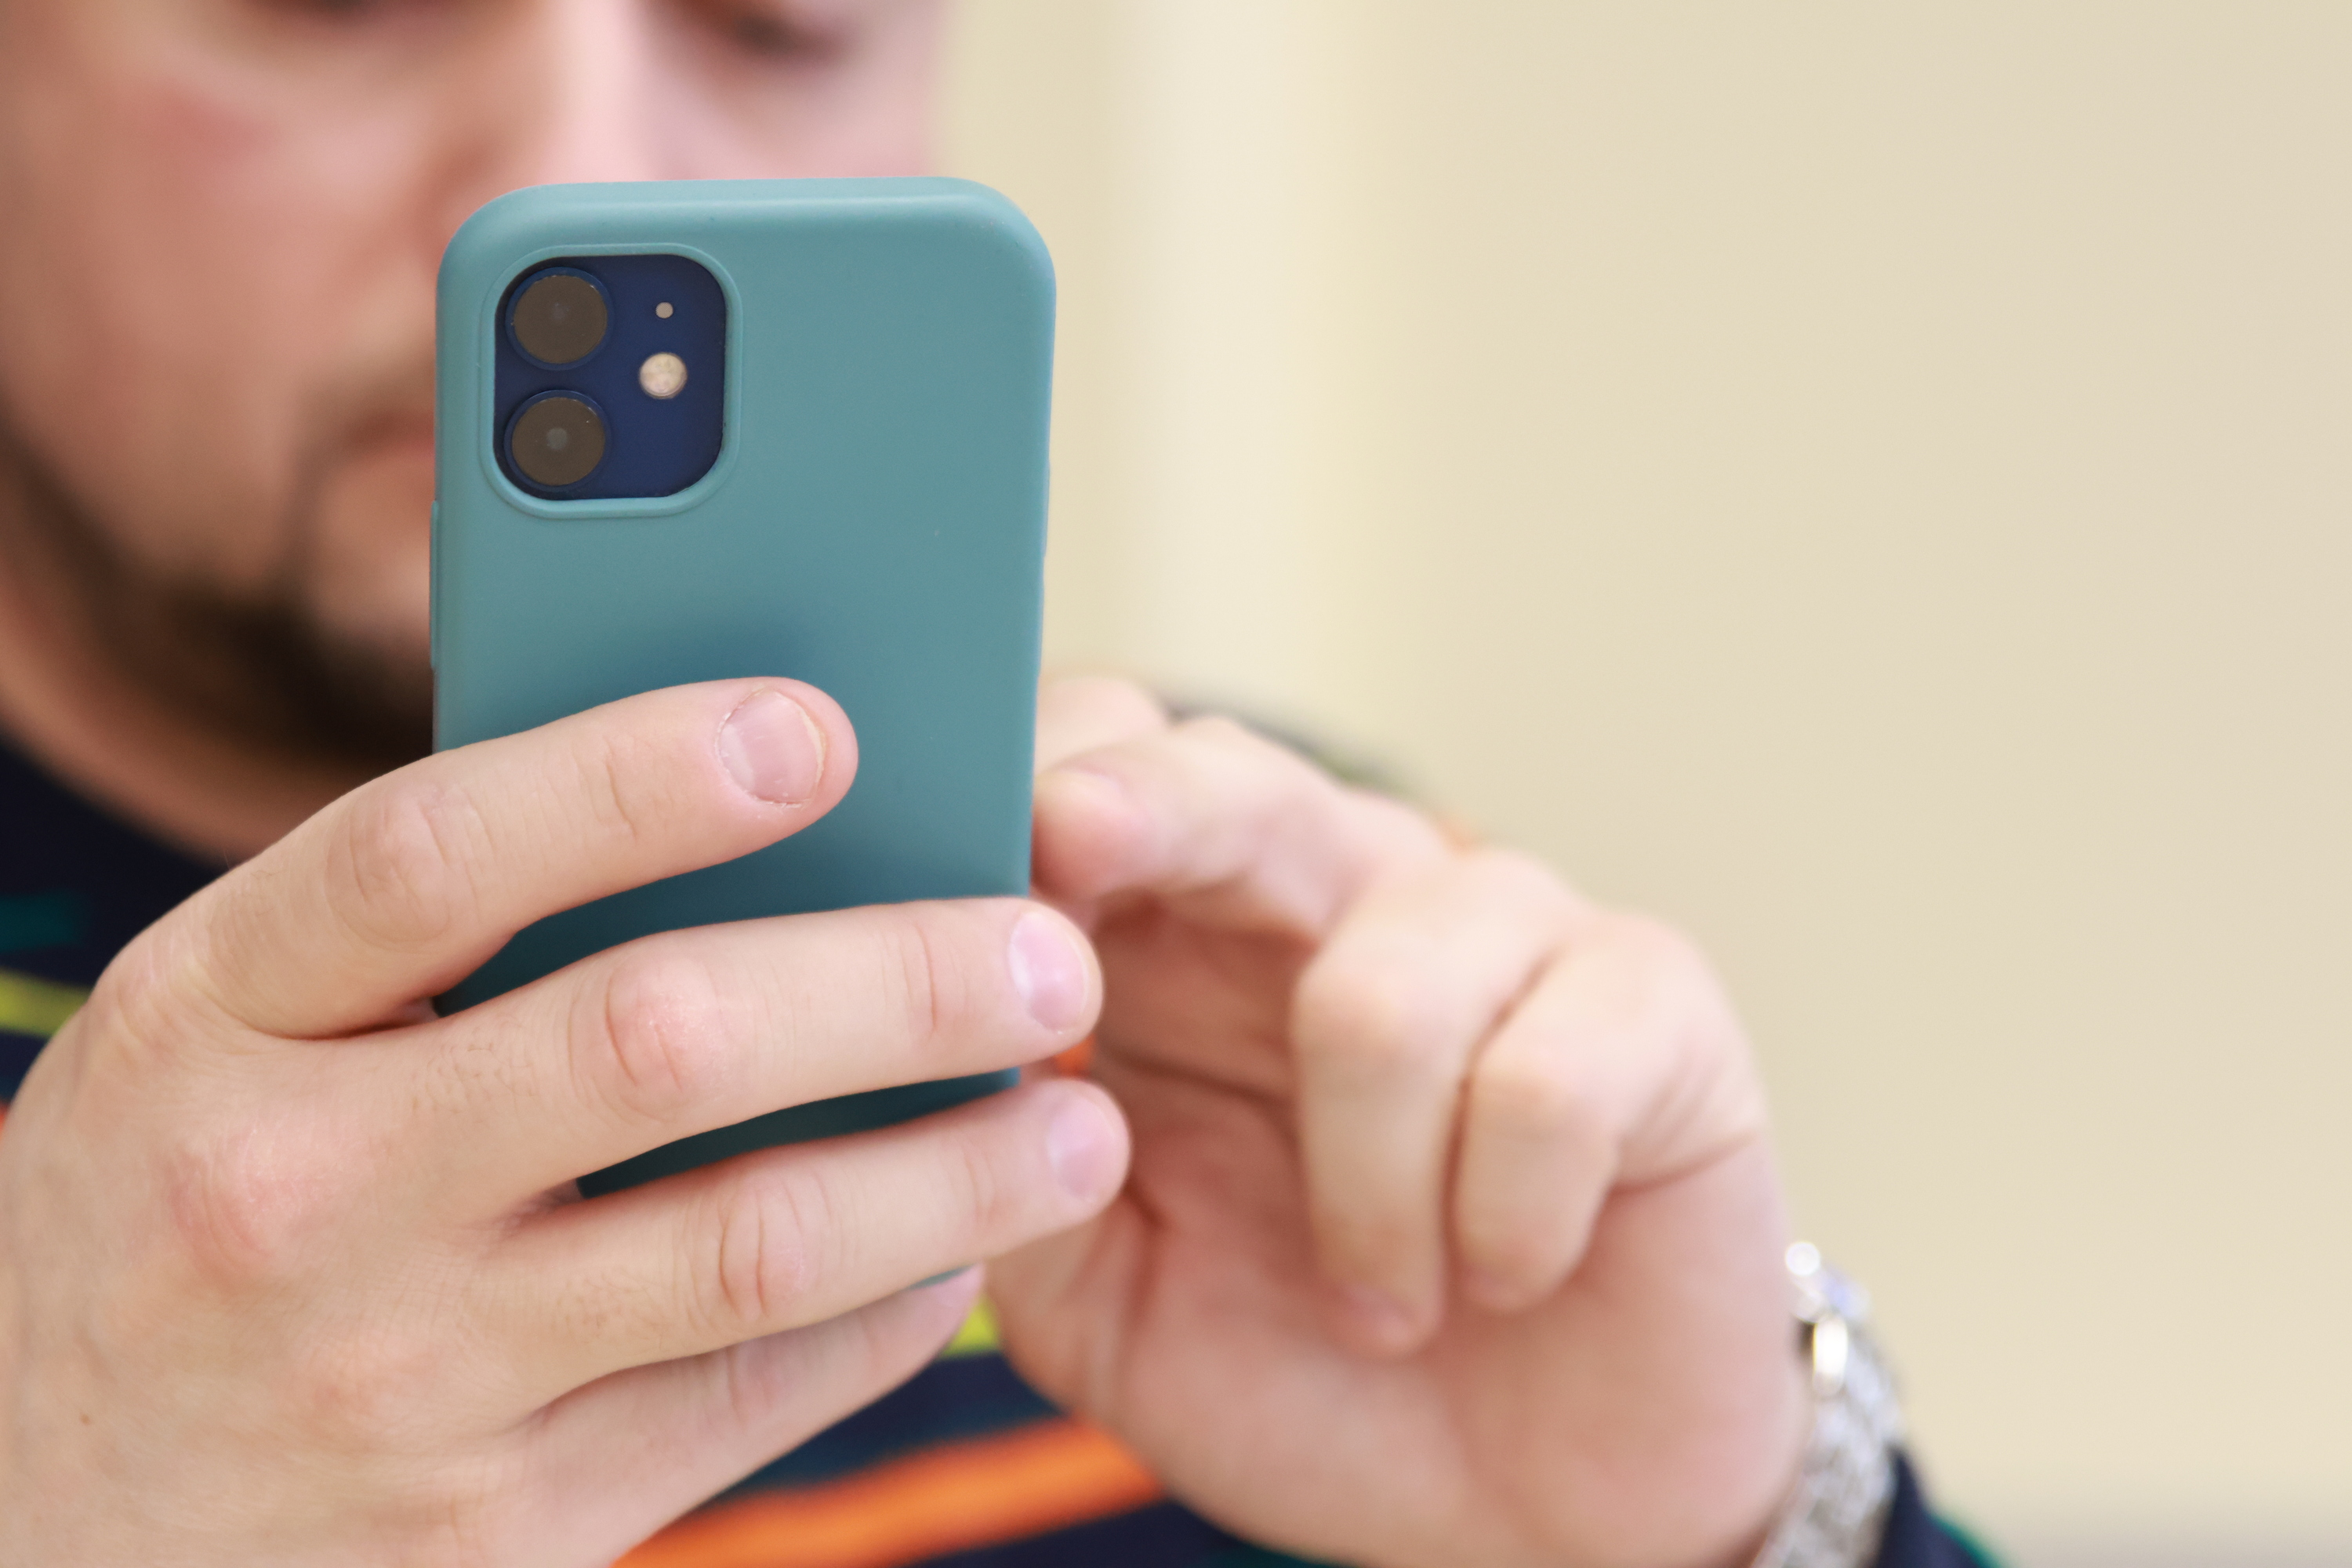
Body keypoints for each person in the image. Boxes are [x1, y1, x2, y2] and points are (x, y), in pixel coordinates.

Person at [0, 3, 1991, 1565]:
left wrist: (1742, 1521)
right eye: (333, 1)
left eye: (780, 22)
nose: (578, 169)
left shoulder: (1275, 968)